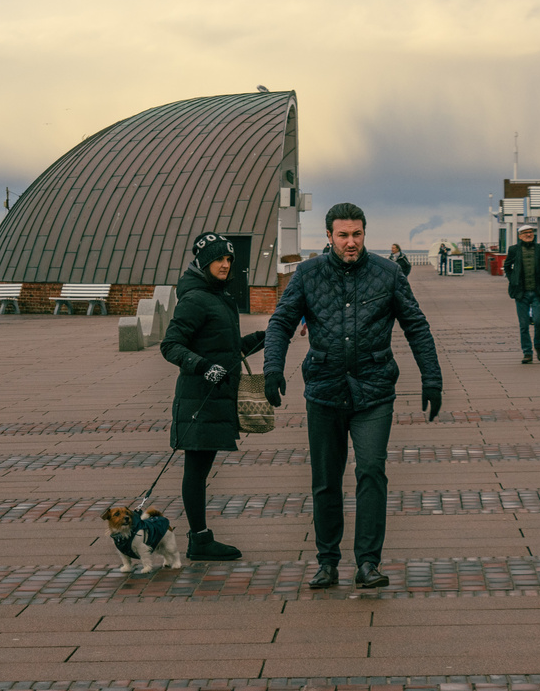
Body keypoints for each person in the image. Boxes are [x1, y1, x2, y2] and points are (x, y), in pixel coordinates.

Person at [261, 202, 442, 590]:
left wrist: (432, 378)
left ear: (365, 233)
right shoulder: (308, 275)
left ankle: (368, 563)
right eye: (342, 235)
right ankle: (327, 561)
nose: (350, 242)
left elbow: (417, 326)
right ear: (328, 236)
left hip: (374, 391)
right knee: (325, 480)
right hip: (325, 390)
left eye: (356, 234)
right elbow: (280, 322)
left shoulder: (388, 273)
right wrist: (272, 367)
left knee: (371, 472)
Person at [159, 232, 266, 561]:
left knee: (199, 469)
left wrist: (270, 335)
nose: (225, 264)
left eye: (229, 259)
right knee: (196, 469)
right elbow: (171, 345)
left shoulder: (217, 296)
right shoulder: (196, 298)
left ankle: (200, 538)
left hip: (212, 396)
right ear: (203, 263)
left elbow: (229, 350)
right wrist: (203, 367)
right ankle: (200, 540)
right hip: (199, 398)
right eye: (218, 259)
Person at [503, 224, 540, 363]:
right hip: (521, 293)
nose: (528, 234)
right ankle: (527, 352)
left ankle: (538, 346)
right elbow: (507, 266)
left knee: (539, 321)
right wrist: (512, 279)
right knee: (524, 324)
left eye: (530, 232)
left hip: (538, 291)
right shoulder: (514, 249)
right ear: (520, 235)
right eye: (525, 232)